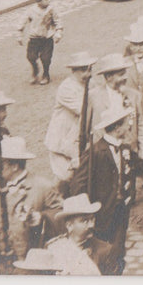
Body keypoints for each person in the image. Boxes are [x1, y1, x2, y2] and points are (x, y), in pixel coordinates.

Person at [72, 101, 143, 272]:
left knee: (118, 253)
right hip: (101, 214)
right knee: (101, 253)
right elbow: (79, 183)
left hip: (121, 211)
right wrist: (85, 212)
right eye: (127, 124)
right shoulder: (96, 152)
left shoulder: (125, 149)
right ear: (117, 128)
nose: (130, 127)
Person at [0, 136, 63, 274]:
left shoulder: (42, 187)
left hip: (27, 263)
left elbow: (61, 217)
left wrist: (41, 217)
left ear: (15, 166)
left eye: (0, 164)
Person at [45, 51, 97, 185]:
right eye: (84, 70)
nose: (88, 74)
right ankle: (52, 197)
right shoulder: (66, 88)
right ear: (74, 71)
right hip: (61, 139)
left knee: (78, 174)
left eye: (90, 69)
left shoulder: (90, 84)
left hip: (76, 138)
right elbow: (85, 111)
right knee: (65, 176)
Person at [45, 193, 119, 275]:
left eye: (92, 219)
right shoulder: (55, 247)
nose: (92, 225)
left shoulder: (105, 250)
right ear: (69, 225)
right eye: (85, 221)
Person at [17, 0, 63, 85]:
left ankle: (46, 74)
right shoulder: (31, 10)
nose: (48, 1)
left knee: (46, 58)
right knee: (31, 56)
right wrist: (19, 35)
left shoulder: (51, 9)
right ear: (39, 1)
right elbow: (22, 21)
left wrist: (58, 33)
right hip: (34, 38)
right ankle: (35, 70)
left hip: (47, 38)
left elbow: (58, 21)